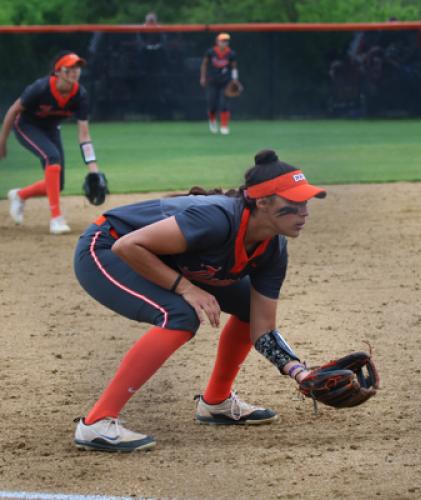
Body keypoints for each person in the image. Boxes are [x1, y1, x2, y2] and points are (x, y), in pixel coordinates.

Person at [73, 150, 327, 452]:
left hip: (160, 258)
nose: (304, 212)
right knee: (180, 315)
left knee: (248, 307)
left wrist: (300, 371)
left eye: (306, 203)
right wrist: (185, 288)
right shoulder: (217, 220)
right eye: (294, 203)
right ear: (262, 202)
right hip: (106, 246)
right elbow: (128, 245)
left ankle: (216, 403)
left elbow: (262, 328)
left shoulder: (273, 249)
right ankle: (96, 423)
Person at [0, 51, 101, 234]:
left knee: (57, 184)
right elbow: (13, 111)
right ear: (58, 71)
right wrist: (2, 141)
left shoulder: (80, 95)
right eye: (69, 68)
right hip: (26, 125)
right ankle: (56, 218)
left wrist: (93, 167)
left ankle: (19, 195)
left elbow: (84, 135)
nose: (75, 71)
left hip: (51, 129)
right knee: (52, 157)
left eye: (77, 67)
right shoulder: (41, 88)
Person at [200, 32, 238, 135]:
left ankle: (224, 126)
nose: (224, 43)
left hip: (226, 81)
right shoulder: (211, 52)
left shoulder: (231, 53)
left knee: (224, 104)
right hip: (212, 81)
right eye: (222, 41)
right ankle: (212, 121)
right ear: (217, 41)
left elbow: (234, 67)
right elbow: (204, 64)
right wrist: (203, 77)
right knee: (212, 104)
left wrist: (235, 79)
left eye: (226, 41)